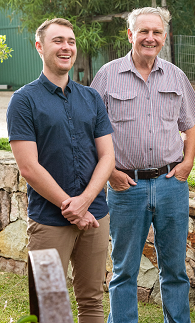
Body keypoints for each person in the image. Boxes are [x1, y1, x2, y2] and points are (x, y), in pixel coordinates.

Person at [91, 6, 195, 323]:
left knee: (174, 269)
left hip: (171, 186)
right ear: (131, 34)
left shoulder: (176, 76)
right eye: (143, 31)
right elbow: (89, 130)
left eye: (156, 32)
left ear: (164, 37)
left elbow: (191, 126)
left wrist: (188, 164)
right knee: (124, 269)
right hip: (126, 187)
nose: (149, 38)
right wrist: (110, 172)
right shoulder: (107, 75)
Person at [6, 18, 115, 323]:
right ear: (40, 47)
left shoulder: (91, 98)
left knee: (92, 301)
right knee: (49, 306)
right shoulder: (24, 101)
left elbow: (107, 156)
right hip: (49, 222)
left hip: (96, 216)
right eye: (58, 41)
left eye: (71, 41)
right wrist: (72, 207)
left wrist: (85, 201)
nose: (67, 47)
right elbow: (28, 166)